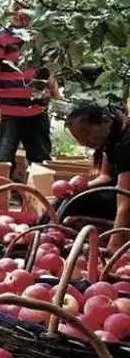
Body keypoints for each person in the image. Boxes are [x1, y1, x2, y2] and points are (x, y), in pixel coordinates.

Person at [0, 0, 63, 179]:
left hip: (37, 110)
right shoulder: (1, 38)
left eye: (26, 8)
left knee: (40, 163)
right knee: (3, 161)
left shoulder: (42, 38)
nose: (20, 13)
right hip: (7, 113)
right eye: (16, 9)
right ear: (9, 11)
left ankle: (38, 203)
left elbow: (49, 72)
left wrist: (58, 97)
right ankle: (0, 201)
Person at [61, 100, 130, 251]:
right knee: (69, 200)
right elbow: (106, 176)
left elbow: (125, 201)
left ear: (105, 121)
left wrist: (114, 245)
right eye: (78, 137)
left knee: (78, 204)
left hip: (125, 197)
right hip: (119, 192)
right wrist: (77, 189)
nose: (84, 142)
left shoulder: (126, 144)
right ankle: (50, 235)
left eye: (86, 133)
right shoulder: (111, 137)